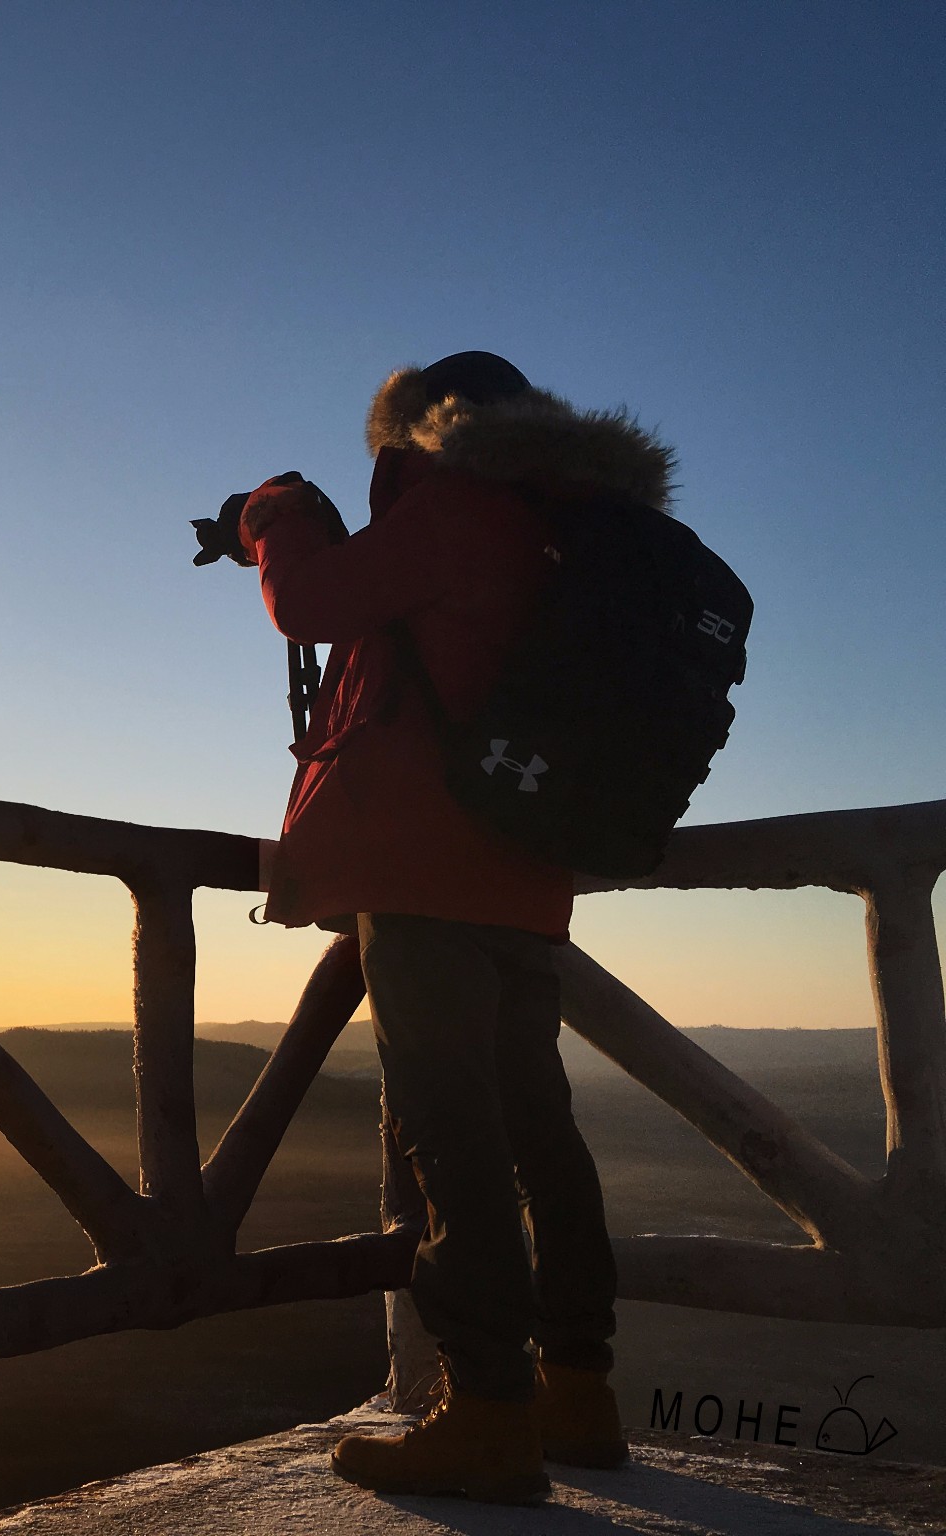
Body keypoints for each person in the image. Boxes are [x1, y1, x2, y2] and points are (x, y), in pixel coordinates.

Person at [238, 351, 674, 1502]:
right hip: (525, 872)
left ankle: (484, 1408)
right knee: (537, 1130)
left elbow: (308, 602)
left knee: (454, 1142)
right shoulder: (562, 529)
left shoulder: (456, 511)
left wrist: (271, 513)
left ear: (425, 430)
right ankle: (576, 1393)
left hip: (423, 868)